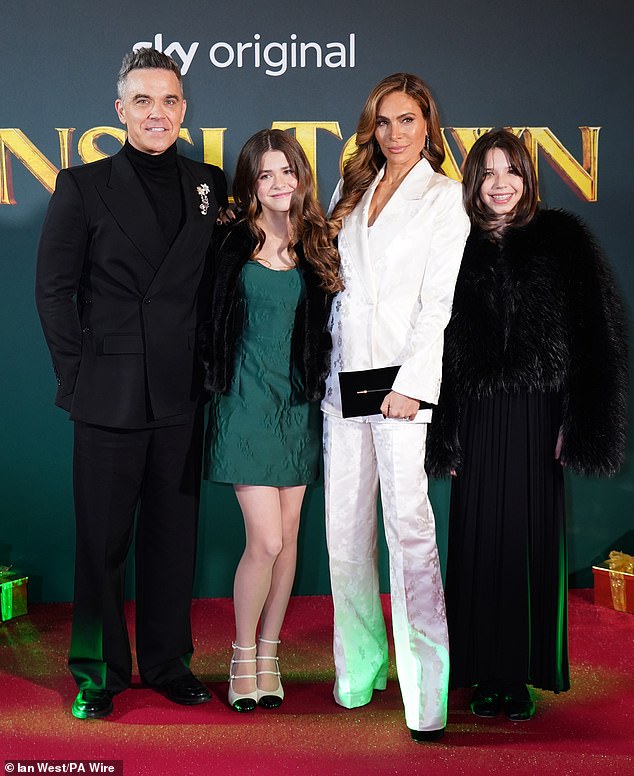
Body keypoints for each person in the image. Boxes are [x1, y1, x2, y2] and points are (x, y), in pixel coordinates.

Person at [35, 48, 227, 719]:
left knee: (175, 539)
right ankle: (97, 670)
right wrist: (78, 377)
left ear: (184, 110)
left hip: (180, 393)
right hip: (107, 395)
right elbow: (54, 292)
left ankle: (169, 662)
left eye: (170, 101)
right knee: (102, 542)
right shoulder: (82, 186)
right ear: (120, 111)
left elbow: (211, 289)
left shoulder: (208, 183)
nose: (158, 113)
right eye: (143, 101)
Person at [426, 128, 627, 721]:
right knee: (478, 540)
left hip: (541, 418)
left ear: (527, 177)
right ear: (472, 183)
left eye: (509, 171)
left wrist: (581, 418)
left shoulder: (564, 240)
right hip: (477, 415)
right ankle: (477, 669)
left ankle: (517, 676)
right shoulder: (451, 244)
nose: (499, 185)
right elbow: (432, 342)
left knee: (528, 542)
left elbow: (597, 339)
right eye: (486, 173)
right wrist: (445, 428)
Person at [322, 73, 470, 742]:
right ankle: (358, 670)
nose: (395, 133)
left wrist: (414, 382)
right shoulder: (349, 189)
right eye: (384, 122)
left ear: (428, 124)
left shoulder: (446, 197)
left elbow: (439, 303)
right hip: (345, 382)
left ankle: (425, 692)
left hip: (404, 389)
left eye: (407, 120)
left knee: (409, 535)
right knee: (345, 536)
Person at [200, 128, 340, 712]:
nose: (280, 183)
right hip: (243, 406)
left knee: (288, 548)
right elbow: (205, 323)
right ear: (251, 183)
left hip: (300, 408)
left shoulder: (318, 244)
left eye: (288, 171)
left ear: (302, 176)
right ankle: (239, 656)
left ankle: (269, 655)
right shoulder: (230, 243)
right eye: (266, 174)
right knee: (267, 539)